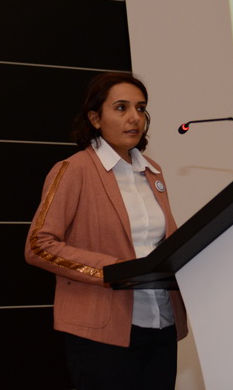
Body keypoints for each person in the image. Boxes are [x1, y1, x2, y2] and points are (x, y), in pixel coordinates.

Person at [25, 72, 188, 390]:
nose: (134, 117)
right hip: (102, 332)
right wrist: (112, 270)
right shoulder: (74, 170)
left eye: (140, 108)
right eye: (121, 107)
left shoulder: (152, 171)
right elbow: (39, 245)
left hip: (161, 324)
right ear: (95, 118)